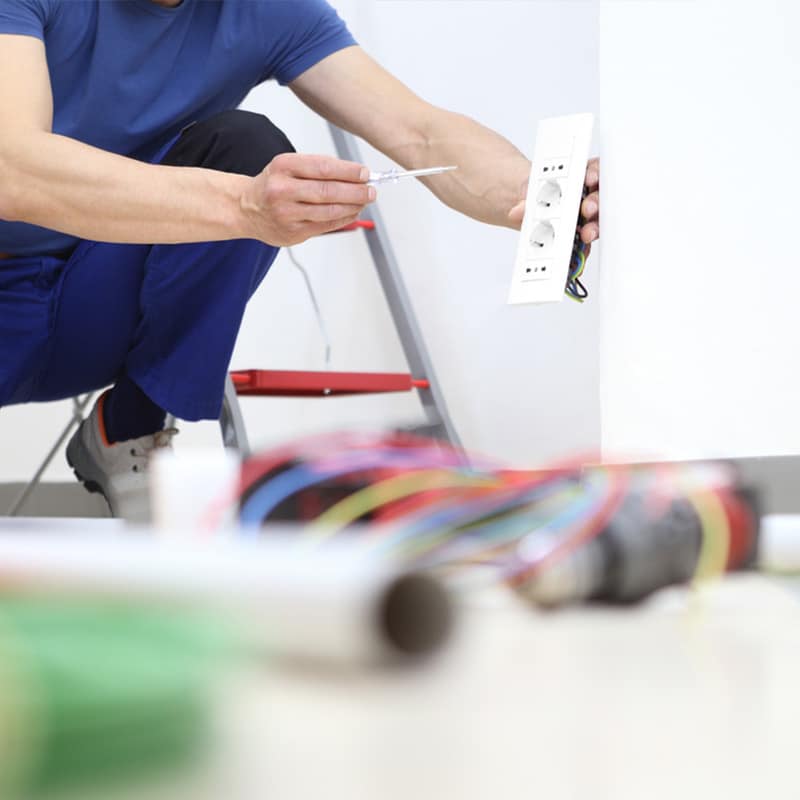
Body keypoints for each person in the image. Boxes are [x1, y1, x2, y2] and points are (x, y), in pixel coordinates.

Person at [0, 0, 600, 515]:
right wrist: (246, 206)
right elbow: (14, 169)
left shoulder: (265, 11)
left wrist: (535, 194)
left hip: (95, 304)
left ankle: (129, 425)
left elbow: (421, 133)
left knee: (246, 146)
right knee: (243, 178)